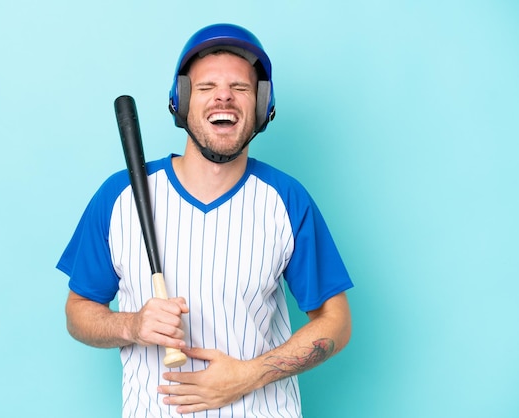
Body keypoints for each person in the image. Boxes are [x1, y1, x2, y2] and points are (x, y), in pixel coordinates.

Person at [57, 23, 354, 417]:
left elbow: (336, 322)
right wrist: (132, 325)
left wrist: (249, 375)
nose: (224, 97)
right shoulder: (120, 196)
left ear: (263, 105)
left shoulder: (286, 199)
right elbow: (78, 311)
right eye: (206, 87)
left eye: (241, 88)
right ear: (181, 101)